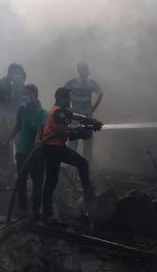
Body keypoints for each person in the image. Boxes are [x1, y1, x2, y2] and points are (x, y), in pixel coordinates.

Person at [36, 87, 102, 218]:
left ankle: (46, 212)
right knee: (81, 164)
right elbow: (61, 131)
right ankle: (89, 198)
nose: (70, 99)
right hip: (54, 148)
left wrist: (90, 121)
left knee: (52, 180)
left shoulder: (61, 111)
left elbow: (75, 116)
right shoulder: (58, 113)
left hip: (53, 148)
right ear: (61, 98)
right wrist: (79, 133)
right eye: (68, 97)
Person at [0, 84, 47, 215]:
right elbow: (18, 126)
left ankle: (36, 210)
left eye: (28, 95)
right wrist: (7, 140)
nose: (25, 97)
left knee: (37, 181)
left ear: (35, 95)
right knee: (21, 180)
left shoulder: (42, 112)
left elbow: (40, 131)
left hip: (36, 153)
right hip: (22, 151)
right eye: (24, 95)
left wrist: (37, 143)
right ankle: (23, 208)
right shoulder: (22, 108)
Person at [0, 63, 26, 180]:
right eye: (16, 73)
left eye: (19, 74)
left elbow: (23, 102)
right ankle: (1, 170)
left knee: (18, 142)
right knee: (5, 141)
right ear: (9, 72)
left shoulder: (20, 86)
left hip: (15, 117)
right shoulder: (1, 84)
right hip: (1, 117)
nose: (17, 76)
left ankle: (15, 169)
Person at [64, 61, 103, 164]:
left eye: (85, 69)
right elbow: (61, 94)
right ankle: (71, 169)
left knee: (88, 144)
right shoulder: (72, 83)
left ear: (88, 70)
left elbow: (100, 93)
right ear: (78, 70)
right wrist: (68, 109)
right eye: (82, 69)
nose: (84, 71)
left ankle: (88, 168)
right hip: (75, 118)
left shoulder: (91, 83)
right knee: (72, 145)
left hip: (87, 117)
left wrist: (93, 108)